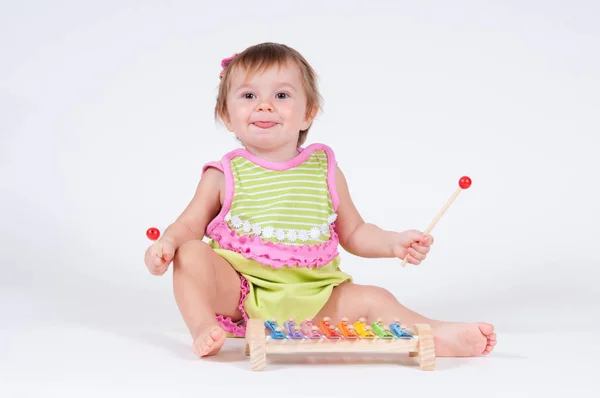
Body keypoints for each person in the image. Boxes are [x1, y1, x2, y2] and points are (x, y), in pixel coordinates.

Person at [143, 42, 497, 358]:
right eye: (248, 96)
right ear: (226, 115)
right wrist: (169, 243)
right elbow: (190, 225)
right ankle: (204, 326)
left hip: (316, 296)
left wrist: (394, 243)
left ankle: (436, 333)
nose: (264, 106)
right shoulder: (222, 174)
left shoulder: (325, 170)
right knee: (191, 254)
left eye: (281, 96)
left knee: (376, 299)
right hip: (240, 292)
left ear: (309, 112)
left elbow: (355, 231)